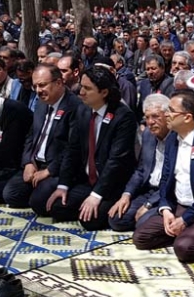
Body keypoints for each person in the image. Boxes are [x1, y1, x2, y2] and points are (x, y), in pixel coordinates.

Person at [133, 90, 194, 261]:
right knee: (140, 237)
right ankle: (180, 231)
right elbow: (165, 179)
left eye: (171, 111)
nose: (166, 115)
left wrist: (185, 219)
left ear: (187, 117)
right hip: (177, 205)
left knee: (184, 248)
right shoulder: (172, 139)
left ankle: (193, 233)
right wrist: (166, 209)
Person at [44, 68, 137, 229]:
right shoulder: (83, 110)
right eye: (81, 86)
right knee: (53, 206)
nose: (81, 92)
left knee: (89, 221)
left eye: (87, 88)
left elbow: (116, 161)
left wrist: (97, 195)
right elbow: (72, 150)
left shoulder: (123, 116)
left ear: (104, 92)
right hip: (87, 180)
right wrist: (63, 185)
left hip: (112, 184)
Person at [3, 64, 82, 211]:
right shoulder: (41, 102)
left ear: (58, 82)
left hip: (57, 168)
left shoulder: (75, 107)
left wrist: (49, 171)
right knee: (10, 194)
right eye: (35, 86)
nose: (38, 91)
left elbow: (72, 147)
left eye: (42, 85)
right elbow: (31, 135)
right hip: (36, 162)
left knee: (38, 203)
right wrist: (28, 162)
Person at [108, 93, 170, 232]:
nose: (150, 122)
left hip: (167, 194)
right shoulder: (148, 134)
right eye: (147, 117)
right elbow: (141, 170)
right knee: (117, 219)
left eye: (155, 116)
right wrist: (126, 195)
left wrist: (148, 205)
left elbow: (172, 180)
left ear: (168, 116)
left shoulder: (176, 139)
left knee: (143, 223)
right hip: (148, 189)